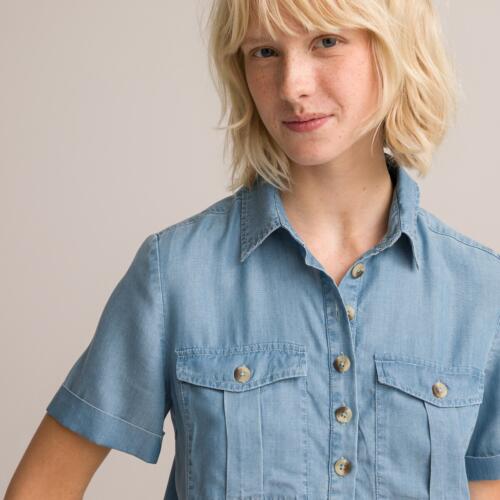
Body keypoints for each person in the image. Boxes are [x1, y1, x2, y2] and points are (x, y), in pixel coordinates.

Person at [5, 1, 500, 499]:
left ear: (396, 49)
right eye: (264, 52)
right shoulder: (176, 273)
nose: (292, 86)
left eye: (326, 42)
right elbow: (42, 488)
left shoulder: (481, 292)